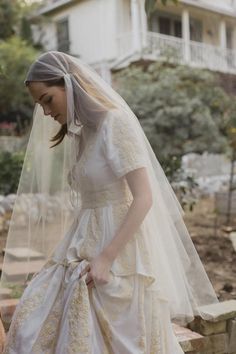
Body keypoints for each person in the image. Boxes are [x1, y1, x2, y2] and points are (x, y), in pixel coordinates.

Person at [1, 51, 219, 354]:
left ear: (69, 84)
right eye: (40, 104)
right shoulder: (82, 133)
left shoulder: (114, 122)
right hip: (82, 238)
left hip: (118, 245)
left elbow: (143, 197)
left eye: (48, 99)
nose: (46, 112)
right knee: (33, 319)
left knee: (118, 336)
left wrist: (106, 257)